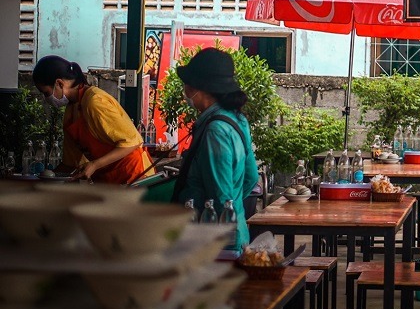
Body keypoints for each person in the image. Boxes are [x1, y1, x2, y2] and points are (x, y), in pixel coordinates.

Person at [171, 47, 259, 250]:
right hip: (235, 233)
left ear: (200, 88)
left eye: (187, 85)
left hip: (215, 241)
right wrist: (235, 204)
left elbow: (220, 196)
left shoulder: (215, 132)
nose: (185, 90)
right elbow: (251, 177)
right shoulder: (238, 118)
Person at [32, 55, 152, 185]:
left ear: (60, 83)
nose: (46, 98)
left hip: (133, 174)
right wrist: (47, 180)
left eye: (46, 92)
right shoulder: (71, 110)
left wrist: (95, 165)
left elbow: (132, 142)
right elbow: (70, 163)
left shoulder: (95, 101)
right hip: (108, 180)